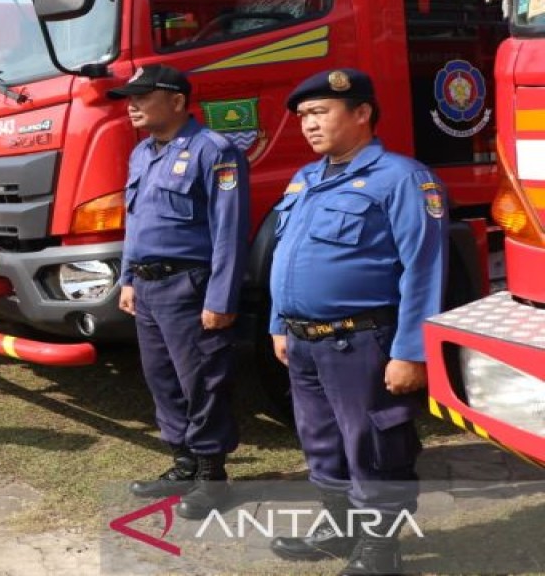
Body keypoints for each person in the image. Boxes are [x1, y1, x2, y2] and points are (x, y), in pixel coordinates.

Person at [266, 68, 446, 575]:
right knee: (321, 443)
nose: (308, 125)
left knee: (373, 444)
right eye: (303, 116)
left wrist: (410, 351)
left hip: (361, 342)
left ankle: (380, 551)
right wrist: (279, 323)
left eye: (320, 112)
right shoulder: (306, 178)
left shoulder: (404, 178)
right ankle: (341, 529)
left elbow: (424, 267)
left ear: (362, 113)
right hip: (303, 342)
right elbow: (288, 254)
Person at [114, 65, 249, 520]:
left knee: (202, 381)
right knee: (162, 381)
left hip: (189, 286)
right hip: (148, 288)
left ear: (176, 101)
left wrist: (221, 298)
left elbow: (229, 231)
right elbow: (135, 222)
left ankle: (213, 477)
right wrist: (127, 279)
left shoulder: (215, 151)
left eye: (142, 96)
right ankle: (184, 463)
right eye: (129, 97)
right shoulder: (141, 154)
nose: (131, 105)